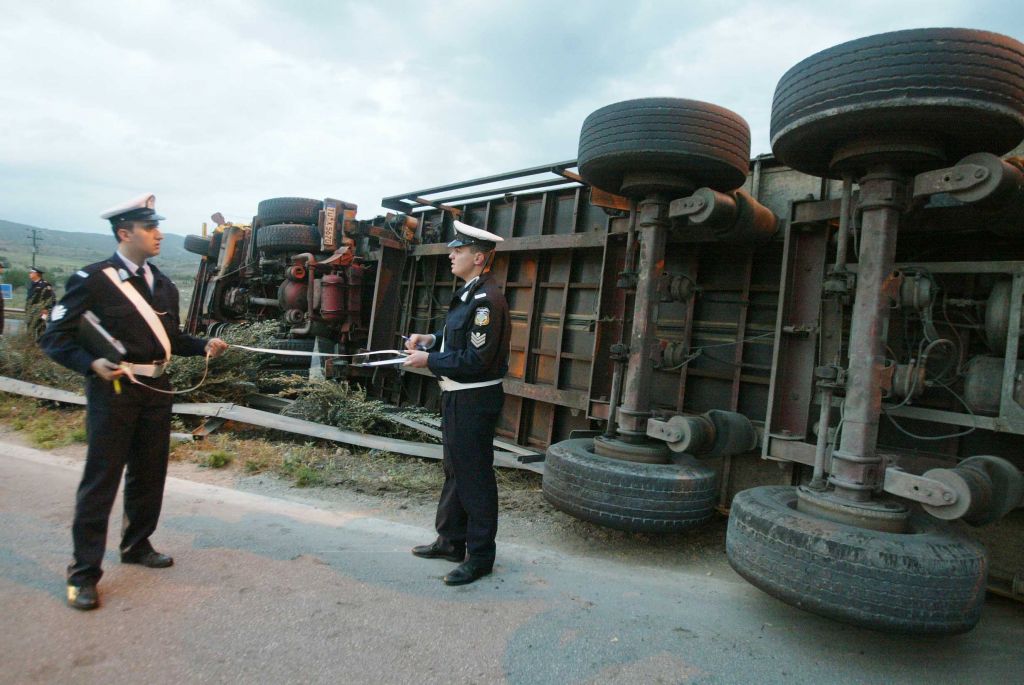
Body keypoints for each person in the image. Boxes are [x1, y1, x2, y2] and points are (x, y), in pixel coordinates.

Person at [39, 193, 228, 610]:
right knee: (101, 481)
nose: (159, 234)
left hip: (156, 391)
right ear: (125, 233)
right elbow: (54, 339)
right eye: (150, 228)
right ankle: (83, 574)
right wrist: (91, 365)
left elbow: (172, 340)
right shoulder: (92, 280)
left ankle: (136, 545)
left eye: (157, 226)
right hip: (115, 391)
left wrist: (203, 347)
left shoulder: (161, 283)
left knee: (149, 472)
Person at [403, 219, 510, 586]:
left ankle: (480, 556)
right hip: (457, 395)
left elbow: (477, 360)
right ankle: (451, 541)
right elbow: (457, 339)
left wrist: (428, 361)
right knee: (455, 469)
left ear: (478, 258)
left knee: (474, 476)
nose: (451, 255)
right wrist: (431, 340)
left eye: (459, 250)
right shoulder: (470, 293)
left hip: (473, 399)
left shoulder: (486, 302)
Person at [26, 267, 56, 340]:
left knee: (41, 325)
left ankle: (42, 343)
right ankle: (30, 343)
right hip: (31, 310)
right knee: (30, 326)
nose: (29, 274)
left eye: (31, 273)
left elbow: (50, 297)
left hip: (42, 310)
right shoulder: (31, 284)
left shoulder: (45, 284)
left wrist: (46, 309)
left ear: (36, 274)